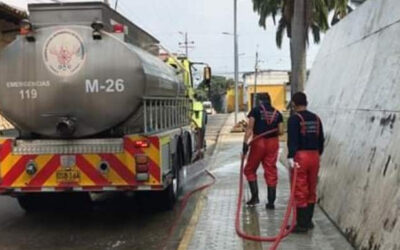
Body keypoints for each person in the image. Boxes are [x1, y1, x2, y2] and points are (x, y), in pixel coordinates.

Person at [287, 92, 324, 233]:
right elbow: (321, 139)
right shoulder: (316, 118)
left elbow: (293, 140)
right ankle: (308, 221)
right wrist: (318, 154)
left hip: (300, 157)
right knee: (311, 188)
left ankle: (301, 225)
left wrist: (291, 157)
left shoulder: (294, 119)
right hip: (315, 155)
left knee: (300, 189)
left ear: (294, 104)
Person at [242, 93, 284, 209]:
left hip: (258, 141)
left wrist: (245, 143)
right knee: (270, 170)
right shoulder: (278, 113)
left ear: (259, 101)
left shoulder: (255, 111)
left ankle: (255, 197)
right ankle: (271, 202)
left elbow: (250, 128)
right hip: (273, 143)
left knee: (249, 169)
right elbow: (281, 131)